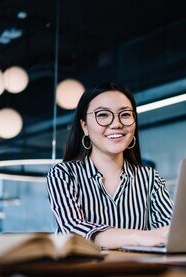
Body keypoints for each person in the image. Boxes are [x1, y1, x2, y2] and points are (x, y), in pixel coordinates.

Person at [46, 82, 173, 249]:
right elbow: (74, 231)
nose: (116, 124)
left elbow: (169, 231)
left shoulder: (150, 178)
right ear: (84, 126)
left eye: (125, 115)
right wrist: (140, 237)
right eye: (103, 115)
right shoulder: (63, 174)